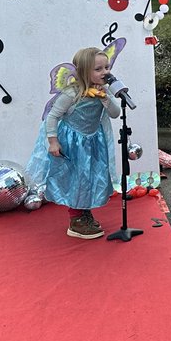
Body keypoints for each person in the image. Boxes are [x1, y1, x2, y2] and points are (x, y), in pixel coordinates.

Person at [25, 46, 120, 240]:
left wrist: (106, 100)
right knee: (76, 178)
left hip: (93, 141)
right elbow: (52, 117)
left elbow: (115, 113)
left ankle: (84, 212)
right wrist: (53, 142)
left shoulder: (105, 90)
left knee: (90, 177)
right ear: (84, 71)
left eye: (107, 67)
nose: (105, 72)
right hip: (72, 142)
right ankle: (75, 219)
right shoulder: (70, 94)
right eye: (99, 69)